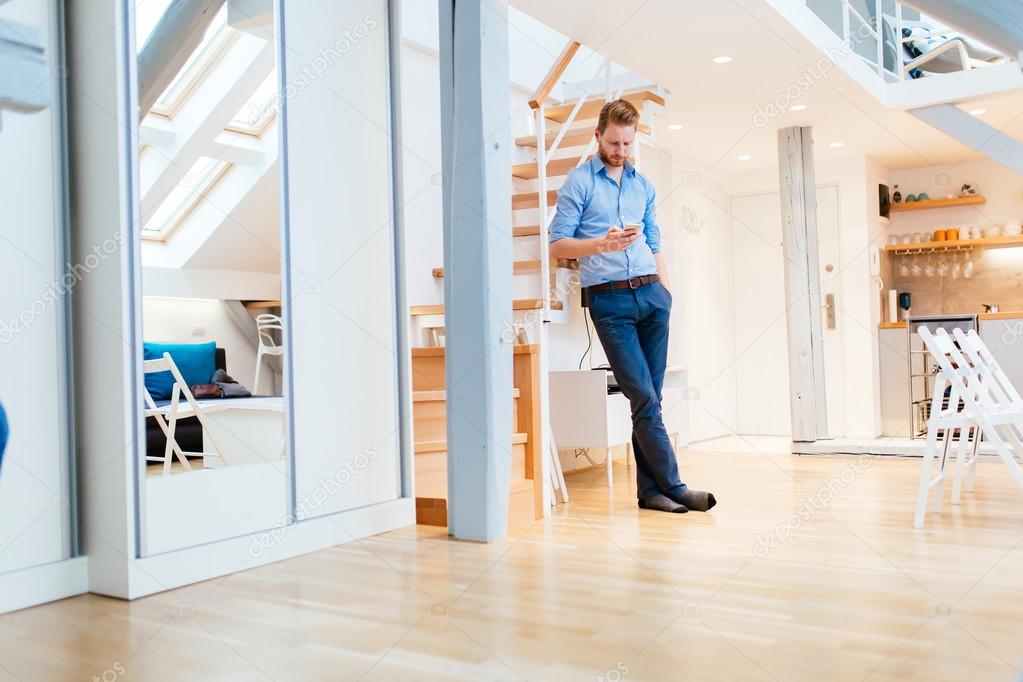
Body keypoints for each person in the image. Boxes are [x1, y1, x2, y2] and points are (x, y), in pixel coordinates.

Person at [549, 99, 716, 514]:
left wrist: (666, 291)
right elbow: (557, 243)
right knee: (642, 395)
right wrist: (599, 245)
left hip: (652, 295)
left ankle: (650, 493)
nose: (620, 150)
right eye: (613, 142)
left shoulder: (643, 185)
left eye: (627, 142)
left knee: (650, 399)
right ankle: (675, 487)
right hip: (610, 301)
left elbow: (654, 240)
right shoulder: (579, 182)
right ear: (598, 136)